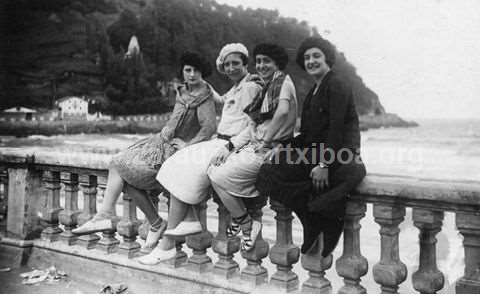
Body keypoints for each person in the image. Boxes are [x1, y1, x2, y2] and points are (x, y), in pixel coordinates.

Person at [73, 52, 217, 251]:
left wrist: (188, 145)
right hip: (158, 143)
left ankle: (113, 217)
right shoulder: (182, 91)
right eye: (187, 70)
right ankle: (141, 221)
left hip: (175, 153)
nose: (192, 75)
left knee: (123, 171)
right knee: (118, 165)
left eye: (196, 71)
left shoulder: (204, 96)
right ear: (182, 72)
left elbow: (209, 127)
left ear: (203, 72)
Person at [137, 43, 263, 264]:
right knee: (176, 163)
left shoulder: (251, 87)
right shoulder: (236, 88)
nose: (232, 68)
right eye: (227, 64)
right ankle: (189, 220)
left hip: (231, 145)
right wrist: (206, 85)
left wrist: (230, 147)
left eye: (236, 63)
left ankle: (168, 244)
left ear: (245, 64)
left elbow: (251, 126)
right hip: (220, 141)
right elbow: (224, 101)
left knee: (185, 167)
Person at [256, 36, 367, 257]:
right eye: (307, 57)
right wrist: (284, 146)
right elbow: (307, 135)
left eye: (316, 56)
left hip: (341, 157)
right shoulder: (313, 92)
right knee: (267, 173)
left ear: (327, 58)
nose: (311, 61)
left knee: (330, 187)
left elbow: (336, 128)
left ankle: (329, 221)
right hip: (316, 153)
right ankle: (310, 218)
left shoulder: (337, 84)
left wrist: (324, 163)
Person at [207, 43, 297, 251]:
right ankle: (244, 222)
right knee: (213, 168)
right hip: (258, 146)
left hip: (273, 149)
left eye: (267, 61)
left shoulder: (283, 82)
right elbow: (252, 127)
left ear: (278, 63)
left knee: (218, 176)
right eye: (259, 61)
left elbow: (283, 112)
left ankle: (246, 223)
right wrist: (229, 147)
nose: (262, 65)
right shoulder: (268, 86)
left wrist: (266, 141)